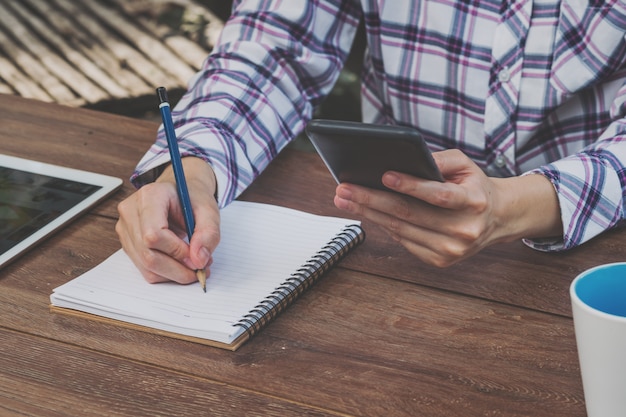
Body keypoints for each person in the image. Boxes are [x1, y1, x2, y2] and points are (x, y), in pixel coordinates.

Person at [116, 0, 626, 285]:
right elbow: (276, 46)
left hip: (596, 260)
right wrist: (194, 168)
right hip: (391, 256)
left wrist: (521, 204)